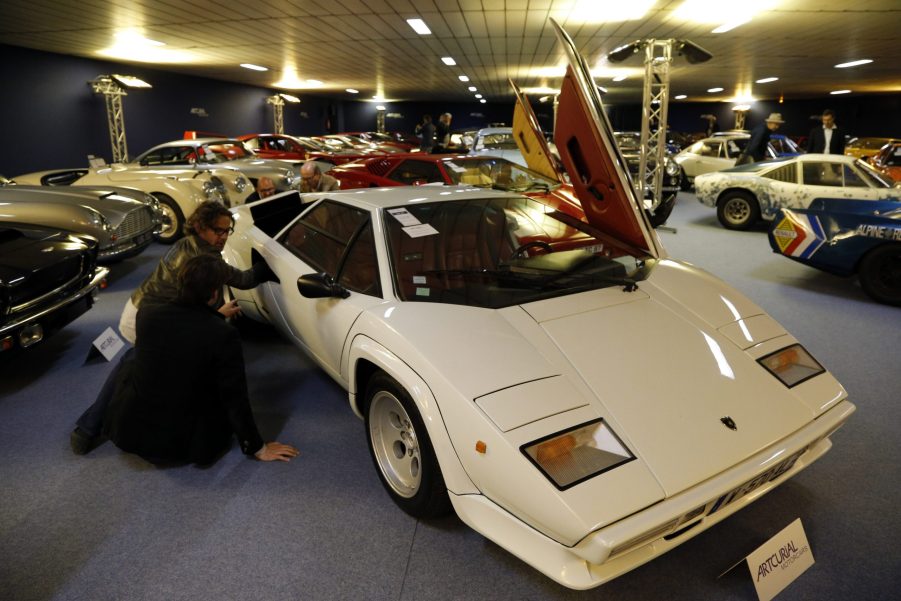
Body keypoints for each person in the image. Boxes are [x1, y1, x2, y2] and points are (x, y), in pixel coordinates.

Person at [98, 254, 298, 464]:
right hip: (184, 445)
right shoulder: (222, 334)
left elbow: (182, 334)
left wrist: (215, 317)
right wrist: (257, 447)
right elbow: (235, 396)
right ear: (214, 294)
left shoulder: (147, 314)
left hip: (134, 432)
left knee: (133, 361)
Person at [117, 201, 275, 345]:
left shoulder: (186, 241)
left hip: (137, 309)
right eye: (219, 231)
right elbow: (245, 280)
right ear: (201, 227)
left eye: (228, 231)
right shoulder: (205, 260)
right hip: (146, 322)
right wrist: (268, 261)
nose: (225, 237)